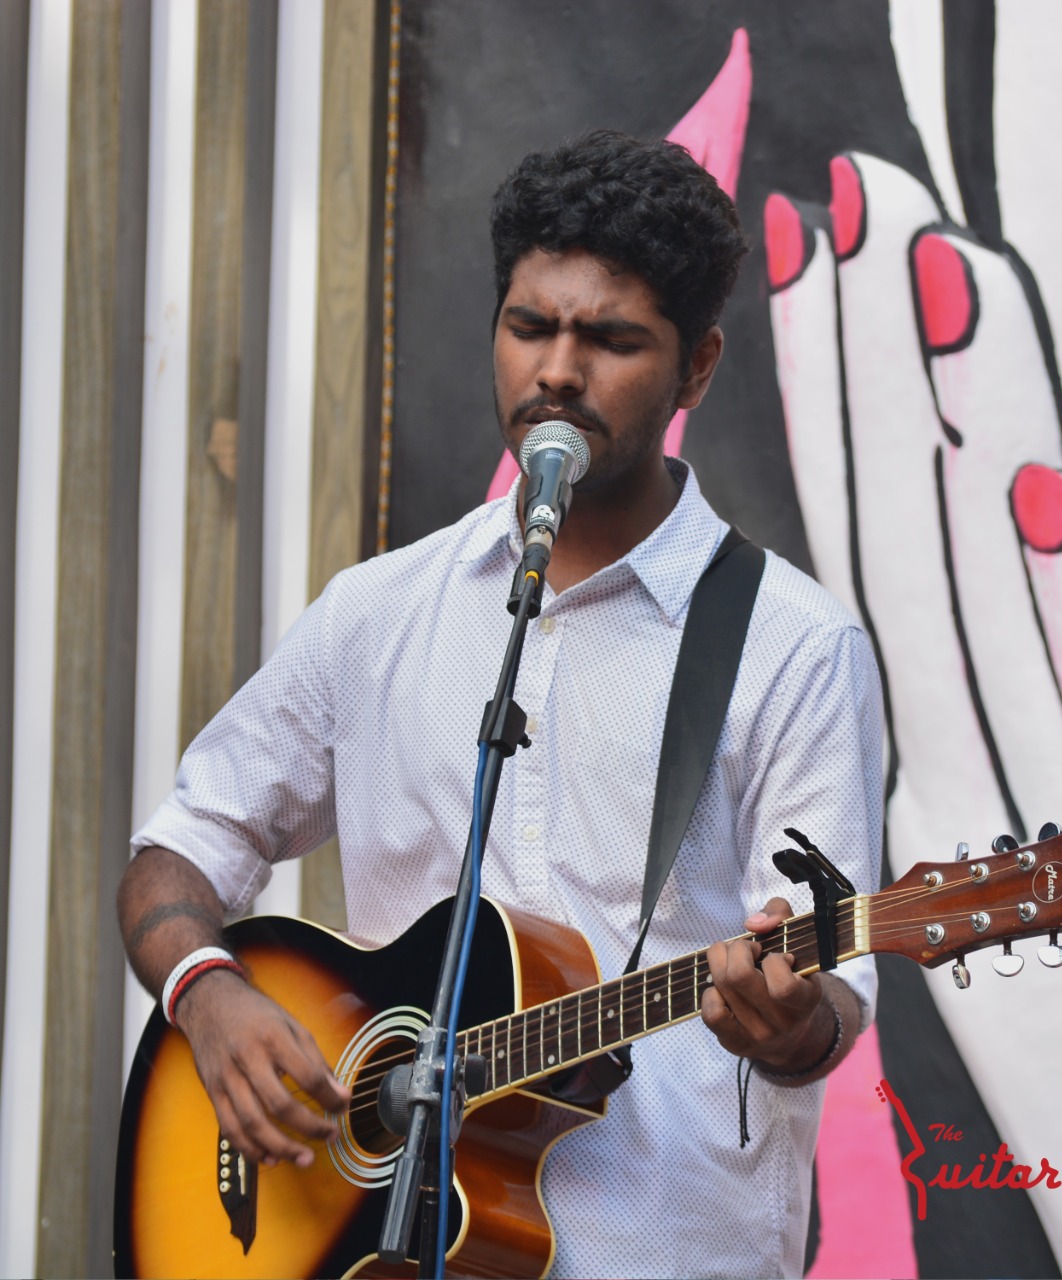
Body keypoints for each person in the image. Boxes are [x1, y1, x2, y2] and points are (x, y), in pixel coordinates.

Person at [118, 130, 884, 1279]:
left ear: (696, 368)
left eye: (611, 339)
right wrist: (206, 993)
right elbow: (183, 844)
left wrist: (789, 1022)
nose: (557, 372)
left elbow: (829, 990)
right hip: (380, 1246)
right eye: (530, 326)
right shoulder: (376, 612)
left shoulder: (793, 647)